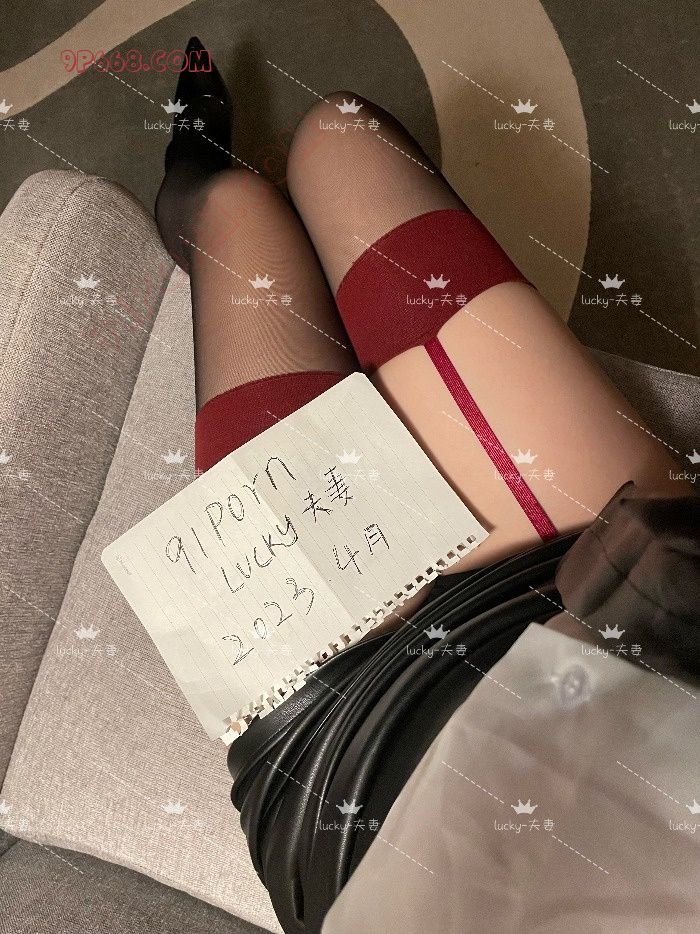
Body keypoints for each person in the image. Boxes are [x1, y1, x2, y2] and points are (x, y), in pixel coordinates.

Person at [155, 38, 699, 934]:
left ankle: (192, 173)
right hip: (592, 599)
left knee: (234, 211)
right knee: (340, 133)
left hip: (334, 766)